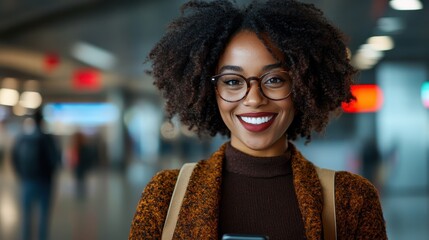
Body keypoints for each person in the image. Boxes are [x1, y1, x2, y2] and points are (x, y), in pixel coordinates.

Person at [129, 0, 387, 239]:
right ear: (210, 93)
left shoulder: (352, 199)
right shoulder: (165, 195)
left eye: (274, 80)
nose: (254, 99)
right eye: (232, 81)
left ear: (302, 86)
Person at [12, 109, 61, 240]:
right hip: (45, 182)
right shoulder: (48, 138)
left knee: (26, 217)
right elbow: (56, 159)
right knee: (43, 217)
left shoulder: (22, 138)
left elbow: (14, 158)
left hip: (27, 181)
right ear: (43, 120)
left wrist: (21, 175)